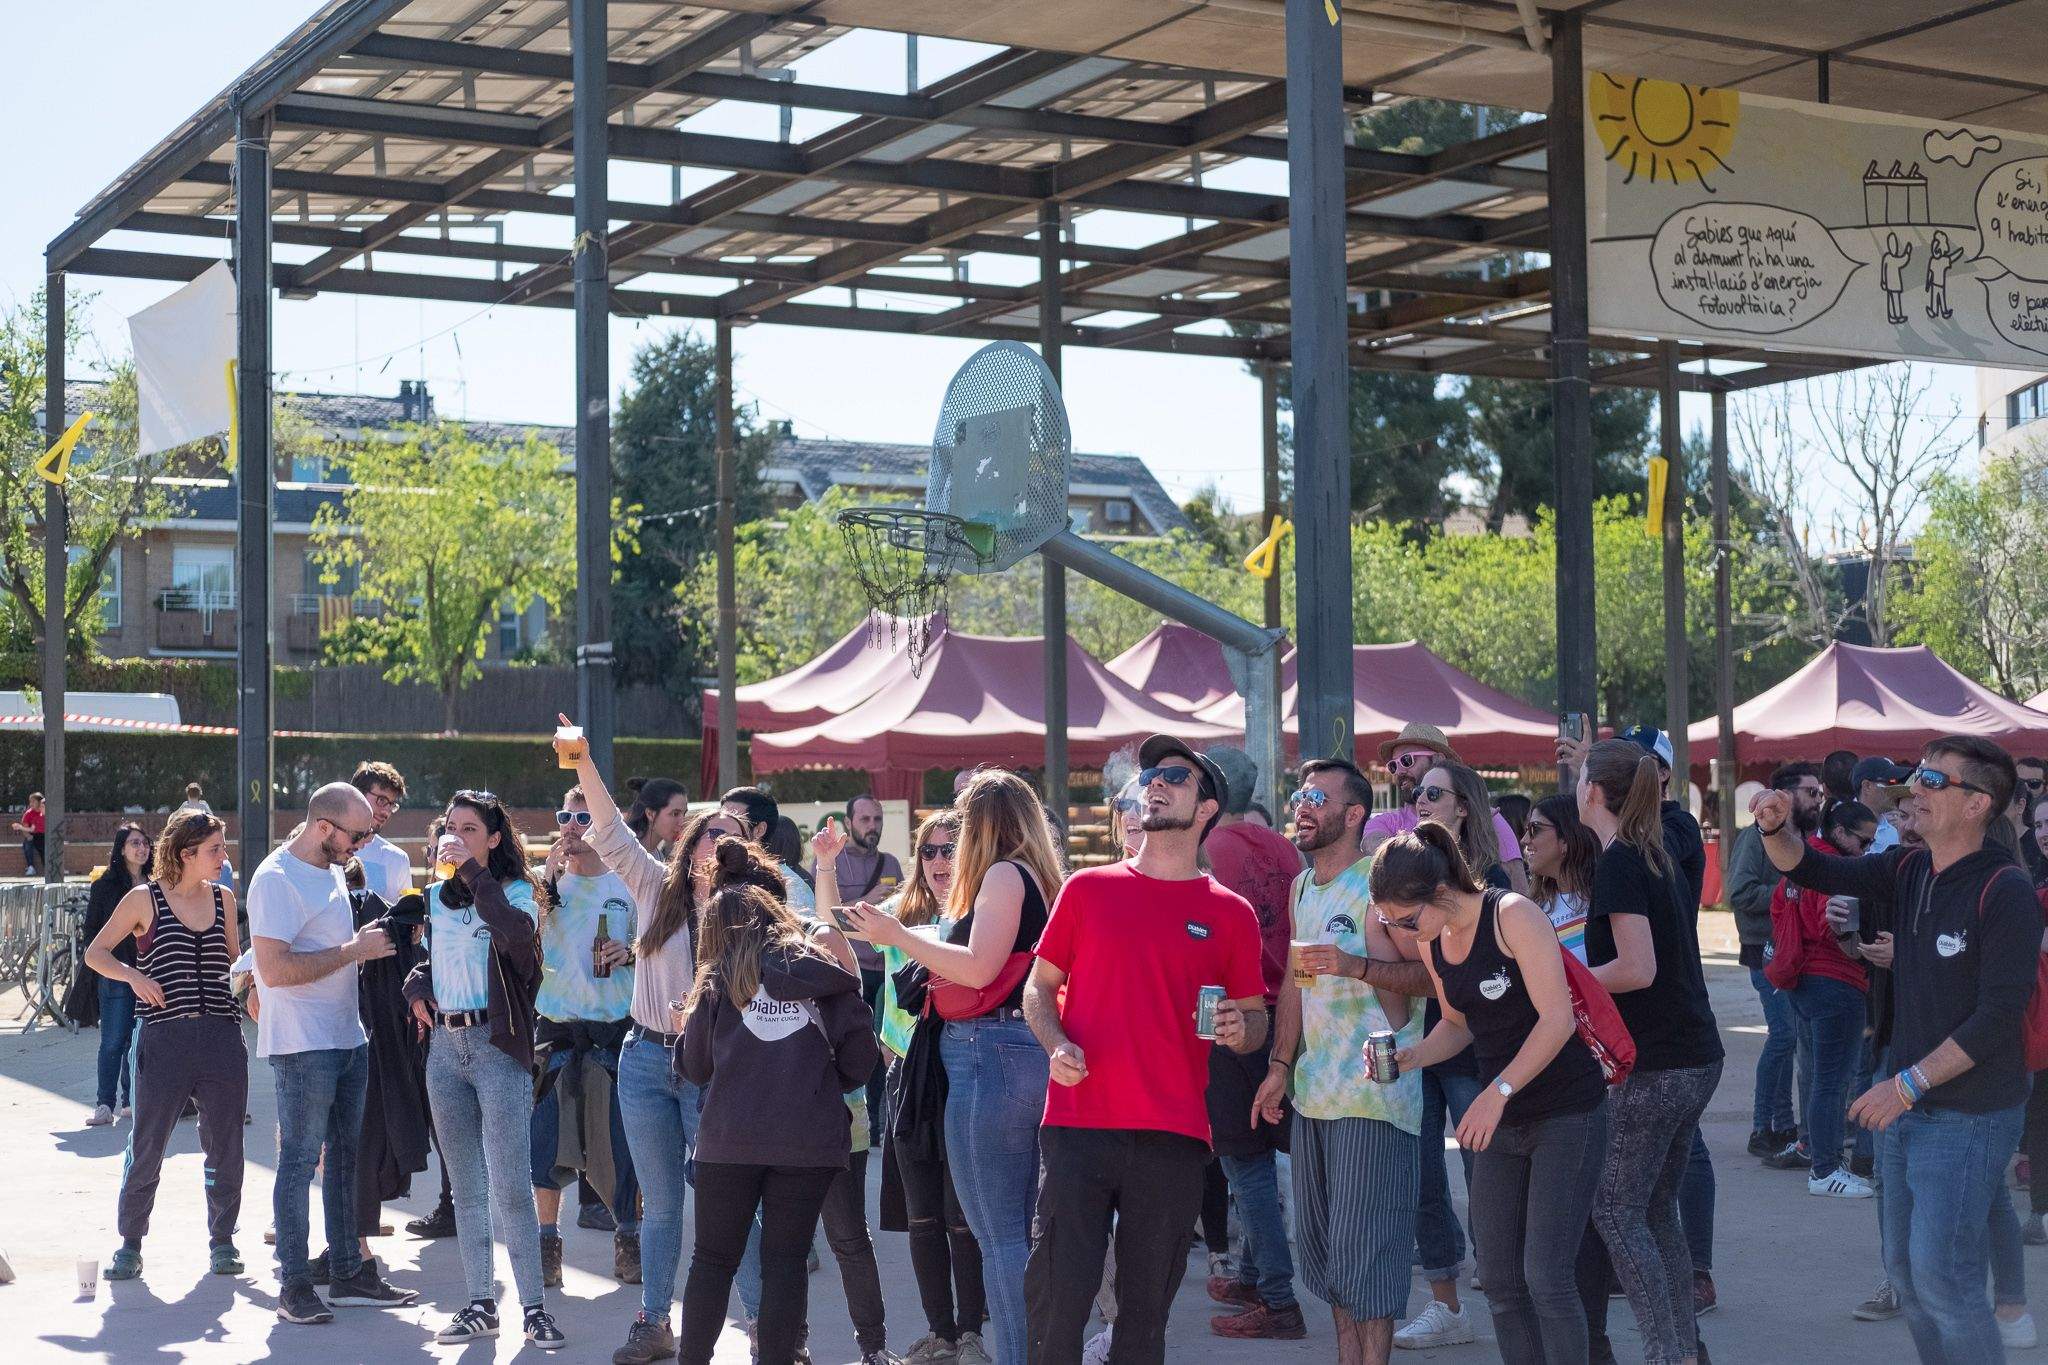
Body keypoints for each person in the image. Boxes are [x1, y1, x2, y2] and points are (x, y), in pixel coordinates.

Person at [1755, 738, 2039, 1365]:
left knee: (1946, 1281)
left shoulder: (2006, 889)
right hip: (1907, 1108)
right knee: (1910, 1282)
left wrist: (1904, 1084)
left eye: (1935, 779)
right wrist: (1777, 828)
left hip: (1968, 1115)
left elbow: (1998, 1016)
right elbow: (1811, 869)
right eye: (1919, 775)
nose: (1918, 788)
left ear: (1976, 804)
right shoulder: (1909, 867)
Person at [1017, 735, 1267, 1363]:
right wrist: (1056, 1043)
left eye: (1177, 776)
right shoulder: (1087, 889)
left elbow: (1257, 1017)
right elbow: (1037, 991)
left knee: (1144, 1317)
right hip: (1078, 1123)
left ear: (1207, 807)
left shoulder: (1231, 914)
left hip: (1174, 1133)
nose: (1157, 783)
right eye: (1151, 773)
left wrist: (1243, 1029)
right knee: (1058, 1303)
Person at [844, 770, 1064, 1365]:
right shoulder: (1040, 877)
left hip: (986, 1053)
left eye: (963, 824)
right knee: (1014, 1229)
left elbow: (975, 967)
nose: (955, 839)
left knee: (1000, 1237)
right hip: (1017, 1052)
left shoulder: (1003, 874)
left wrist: (895, 935)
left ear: (984, 824)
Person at [1375, 823, 1610, 1365]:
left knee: (1547, 1279)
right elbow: (1458, 1024)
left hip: (1567, 1112)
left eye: (1405, 921)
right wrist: (1413, 1055)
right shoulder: (1434, 941)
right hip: (1501, 1118)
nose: (1403, 935)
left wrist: (1498, 1089)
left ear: (1438, 891)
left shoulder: (1512, 916)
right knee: (1502, 1285)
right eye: (1390, 924)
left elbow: (1557, 1021)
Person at [674, 844, 880, 1365]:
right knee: (785, 1264)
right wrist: (812, 1080)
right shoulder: (824, 970)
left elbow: (694, 1068)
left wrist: (690, 1031)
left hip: (728, 1140)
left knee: (712, 1261)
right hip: (808, 1140)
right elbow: (860, 1062)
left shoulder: (716, 978)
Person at [1253, 757, 1425, 1365]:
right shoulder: (1303, 887)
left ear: (1354, 814)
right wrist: (1278, 1066)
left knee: (1367, 1265)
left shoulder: (1381, 882)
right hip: (1315, 1099)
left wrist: (1355, 966)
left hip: (1375, 1099)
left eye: (1316, 797)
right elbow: (1298, 982)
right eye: (1299, 793)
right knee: (1328, 1264)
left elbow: (1430, 978)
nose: (1302, 805)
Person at [1580, 739, 1723, 1365]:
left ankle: (1669, 1351)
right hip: (1690, 1055)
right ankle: (1683, 1350)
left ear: (1593, 792)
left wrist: (1559, 976)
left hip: (1662, 1062)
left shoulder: (1623, 860)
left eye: (1581, 775)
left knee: (1614, 1207)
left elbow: (1637, 968)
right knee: (1653, 1206)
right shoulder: (1647, 851)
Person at [402, 792, 562, 1348]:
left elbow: (518, 942)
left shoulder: (517, 892)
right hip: (445, 1050)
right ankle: (479, 1303)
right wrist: (417, 985)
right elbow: (432, 958)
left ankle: (535, 1308)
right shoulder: (434, 897)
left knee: (512, 1186)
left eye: (470, 829)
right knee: (467, 1189)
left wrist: (471, 872)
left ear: (495, 839)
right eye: (451, 827)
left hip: (497, 1048)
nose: (457, 836)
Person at [249, 782, 413, 1324]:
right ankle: (294, 1284)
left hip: (346, 1035)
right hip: (303, 1044)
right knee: (298, 1164)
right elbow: (274, 971)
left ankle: (347, 1271)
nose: (363, 844)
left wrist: (359, 945)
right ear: (324, 827)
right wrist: (354, 950)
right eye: (357, 833)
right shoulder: (275, 879)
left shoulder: (333, 870)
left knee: (346, 1158)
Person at [85, 810, 249, 1282]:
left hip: (221, 1035)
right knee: (148, 1144)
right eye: (216, 849)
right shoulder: (144, 899)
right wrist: (133, 975)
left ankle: (223, 1241)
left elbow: (234, 965)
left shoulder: (224, 898)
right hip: (163, 1038)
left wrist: (253, 986)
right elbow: (96, 953)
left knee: (226, 1145)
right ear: (186, 854)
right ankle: (130, 1243)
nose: (224, 857)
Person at [1395, 759, 1506, 1350]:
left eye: (1434, 793)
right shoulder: (1405, 875)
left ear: (1464, 806)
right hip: (1424, 1038)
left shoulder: (1492, 883)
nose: (1422, 801)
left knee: (1485, 1172)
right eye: (1416, 793)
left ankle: (1511, 1284)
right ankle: (1446, 1304)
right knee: (1422, 1180)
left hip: (1476, 1049)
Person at [874, 810, 992, 1365]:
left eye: (951, 850)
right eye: (930, 852)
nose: (940, 862)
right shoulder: (902, 915)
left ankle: (971, 1331)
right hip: (908, 1076)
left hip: (964, 1069)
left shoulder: (983, 914)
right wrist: (824, 865)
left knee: (960, 1214)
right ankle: (940, 1332)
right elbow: (834, 938)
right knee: (921, 1214)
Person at [1199, 744, 1306, 1342]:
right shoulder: (1283, 848)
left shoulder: (1208, 851)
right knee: (1258, 1155)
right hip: (1286, 1009)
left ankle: (1277, 1297)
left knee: (1246, 1162)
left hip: (1234, 1015)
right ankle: (1253, 1274)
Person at [1614, 725, 1717, 1313]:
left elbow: (1639, 842)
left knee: (1681, 1154)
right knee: (1642, 1189)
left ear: (1662, 773)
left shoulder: (1674, 826)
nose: (1626, 774)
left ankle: (1695, 1274)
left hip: (1676, 1017)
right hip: (1648, 1020)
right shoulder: (1622, 838)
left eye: (1638, 764)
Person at [532, 785, 642, 1290]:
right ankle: (547, 1243)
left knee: (622, 1147)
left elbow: (659, 947)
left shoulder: (629, 887)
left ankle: (629, 1238)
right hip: (555, 1031)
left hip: (612, 1030)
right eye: (565, 816)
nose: (572, 827)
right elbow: (518, 947)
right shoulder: (543, 886)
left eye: (583, 817)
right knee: (546, 1146)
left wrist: (633, 952)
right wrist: (543, 890)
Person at [1768, 800, 1877, 1198]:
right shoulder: (1834, 870)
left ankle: (1824, 1163)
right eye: (1863, 841)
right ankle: (1825, 1169)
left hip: (1802, 982)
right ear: (1842, 832)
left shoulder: (1803, 864)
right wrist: (1865, 944)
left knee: (1820, 1081)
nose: (1866, 850)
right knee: (1832, 1083)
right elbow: (1833, 928)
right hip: (1835, 983)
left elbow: (1779, 909)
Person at [1723, 761, 1823, 1160]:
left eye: (1820, 793)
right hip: (1765, 951)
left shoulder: (1811, 838)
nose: (1817, 799)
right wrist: (1791, 894)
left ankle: (1784, 1126)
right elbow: (1741, 891)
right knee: (1784, 1034)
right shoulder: (1756, 838)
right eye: (1810, 792)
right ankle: (1764, 1127)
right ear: (1783, 795)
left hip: (1800, 954)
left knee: (1796, 1037)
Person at [1361, 724, 1524, 887]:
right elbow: (1372, 845)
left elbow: (1518, 891)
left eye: (1406, 760)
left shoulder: (1488, 817)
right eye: (1393, 766)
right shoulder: (1385, 821)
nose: (1399, 772)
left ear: (1438, 759)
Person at [839, 793, 904, 1144]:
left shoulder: (892, 863)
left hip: (889, 970)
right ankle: (859, 1123)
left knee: (888, 1046)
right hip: (855, 970)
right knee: (859, 1046)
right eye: (865, 820)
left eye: (877, 819)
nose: (872, 826)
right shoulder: (834, 864)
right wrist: (866, 902)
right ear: (849, 822)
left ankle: (881, 1125)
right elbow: (826, 920)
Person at [80, 823, 151, 1125]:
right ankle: (104, 1104)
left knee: (138, 1042)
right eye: (135, 843)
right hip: (115, 974)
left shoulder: (155, 884)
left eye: (145, 843)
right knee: (113, 1041)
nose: (141, 848)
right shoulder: (105, 885)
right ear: (121, 849)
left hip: (148, 973)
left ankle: (131, 1101)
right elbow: (91, 933)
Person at [1523, 796, 1598, 964]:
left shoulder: (1604, 898)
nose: (1525, 839)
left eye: (1535, 829)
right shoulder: (1535, 907)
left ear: (1566, 840)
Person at [723, 786, 817, 912]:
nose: (722, 831)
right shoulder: (704, 873)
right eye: (720, 820)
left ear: (759, 830)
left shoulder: (789, 887)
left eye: (735, 821)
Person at [348, 762, 412, 904]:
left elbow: (406, 916)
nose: (386, 812)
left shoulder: (398, 859)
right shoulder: (330, 846)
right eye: (381, 800)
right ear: (358, 794)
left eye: (391, 804)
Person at [1856, 757, 1915, 855]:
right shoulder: (1842, 825)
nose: (1897, 788)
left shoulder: (1896, 833)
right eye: (1891, 782)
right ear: (1867, 786)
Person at [630, 777, 691, 855]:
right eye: (675, 814)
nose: (682, 822)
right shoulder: (627, 851)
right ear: (650, 814)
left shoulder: (657, 855)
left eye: (684, 814)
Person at [14, 791, 46, 876]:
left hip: (44, 835)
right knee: (27, 845)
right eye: (30, 801)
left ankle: (50, 867)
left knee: (46, 846)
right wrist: (28, 836)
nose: (31, 804)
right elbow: (26, 829)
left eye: (33, 801)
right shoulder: (28, 813)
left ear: (40, 802)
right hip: (33, 835)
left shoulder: (45, 812)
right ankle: (31, 867)